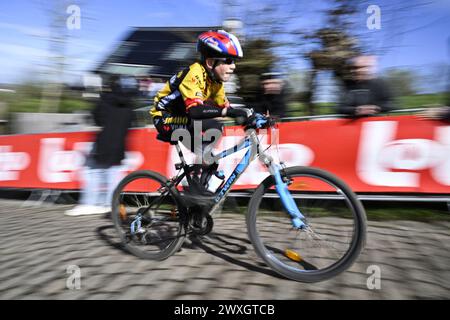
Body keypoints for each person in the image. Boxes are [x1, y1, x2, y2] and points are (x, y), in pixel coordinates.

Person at [149, 30, 252, 193]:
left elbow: (227, 108)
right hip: (164, 117)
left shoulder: (216, 83)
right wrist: (227, 113)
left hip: (182, 117)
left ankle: (196, 194)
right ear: (211, 62)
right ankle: (194, 185)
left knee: (215, 134)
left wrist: (250, 117)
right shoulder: (194, 72)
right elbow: (196, 111)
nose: (233, 66)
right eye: (229, 60)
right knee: (203, 133)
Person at [65, 75, 137, 216]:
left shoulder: (105, 100)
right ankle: (109, 204)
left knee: (91, 172)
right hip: (120, 145)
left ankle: (89, 203)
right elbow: (130, 125)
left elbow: (97, 119)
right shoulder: (130, 106)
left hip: (104, 143)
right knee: (113, 176)